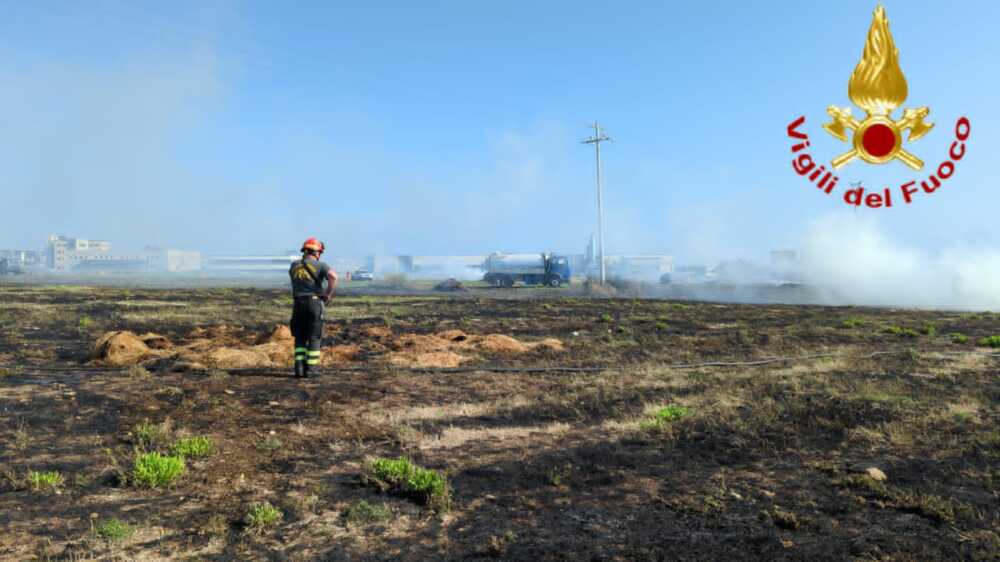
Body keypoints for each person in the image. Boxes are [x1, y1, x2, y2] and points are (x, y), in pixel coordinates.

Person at [289, 238, 337, 378]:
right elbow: (333, 276)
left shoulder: (294, 265)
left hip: (298, 303)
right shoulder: (321, 265)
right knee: (315, 336)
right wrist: (328, 294)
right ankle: (311, 368)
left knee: (300, 336)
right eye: (320, 252)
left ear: (304, 250)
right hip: (314, 303)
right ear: (316, 252)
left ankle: (299, 368)